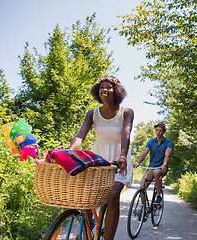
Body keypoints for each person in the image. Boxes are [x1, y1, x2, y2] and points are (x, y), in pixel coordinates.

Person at [68, 76, 134, 240]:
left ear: (116, 91)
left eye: (109, 87)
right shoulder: (92, 114)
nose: (105, 90)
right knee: (88, 194)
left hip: (120, 157)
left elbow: (126, 135)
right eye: (101, 87)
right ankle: (88, 233)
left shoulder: (126, 112)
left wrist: (123, 156)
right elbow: (80, 135)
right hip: (99, 156)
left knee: (112, 194)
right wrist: (68, 152)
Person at [133, 122, 173, 204]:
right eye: (157, 130)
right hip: (151, 167)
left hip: (162, 168)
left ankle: (158, 195)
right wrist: (138, 163)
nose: (158, 132)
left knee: (156, 172)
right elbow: (144, 153)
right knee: (142, 187)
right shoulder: (150, 142)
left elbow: (167, 156)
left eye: (160, 131)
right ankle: (144, 210)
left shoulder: (168, 143)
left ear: (164, 132)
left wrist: (164, 165)